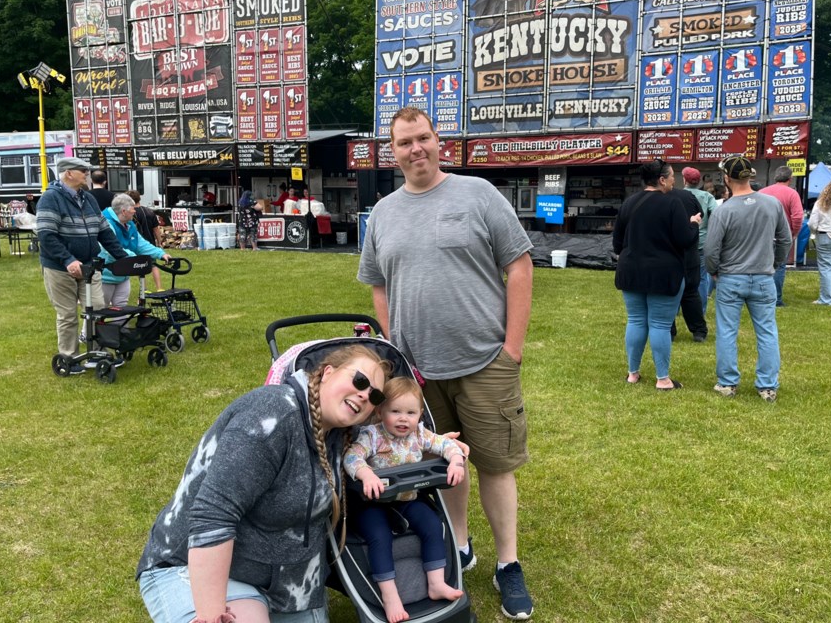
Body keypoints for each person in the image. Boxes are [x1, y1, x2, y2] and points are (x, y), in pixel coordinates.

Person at [358, 106, 535, 620]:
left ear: (439, 142)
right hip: (417, 374)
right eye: (404, 143)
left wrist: (512, 350)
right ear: (391, 153)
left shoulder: (477, 194)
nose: (416, 149)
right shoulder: (385, 212)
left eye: (423, 138)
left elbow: (519, 265)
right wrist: (395, 350)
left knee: (496, 466)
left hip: (484, 361)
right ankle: (459, 545)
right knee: (440, 466)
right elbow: (379, 284)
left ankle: (508, 564)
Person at [137, 344, 393, 623]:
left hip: (288, 584)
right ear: (327, 372)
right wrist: (211, 614)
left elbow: (399, 434)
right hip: (197, 566)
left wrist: (443, 448)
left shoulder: (339, 434)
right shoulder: (272, 415)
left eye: (374, 395)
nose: (365, 394)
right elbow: (214, 513)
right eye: (359, 381)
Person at [343, 377, 466, 623]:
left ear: (420, 414)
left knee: (432, 524)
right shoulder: (373, 436)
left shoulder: (419, 434)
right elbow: (351, 457)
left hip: (407, 497)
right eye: (395, 411)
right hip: (372, 503)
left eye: (410, 413)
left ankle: (436, 583)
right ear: (380, 412)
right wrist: (366, 474)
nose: (403, 419)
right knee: (379, 535)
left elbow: (445, 444)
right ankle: (390, 596)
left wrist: (456, 460)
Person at [704, 156, 792, 402]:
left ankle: (727, 383)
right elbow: (785, 239)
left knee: (727, 332)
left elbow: (711, 249)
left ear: (726, 178)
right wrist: (774, 263)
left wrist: (714, 271)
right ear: (750, 176)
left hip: (731, 278)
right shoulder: (772, 204)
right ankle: (767, 386)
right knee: (767, 331)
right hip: (763, 277)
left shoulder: (724, 210)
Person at [613, 160, 701, 391]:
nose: (674, 180)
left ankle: (633, 374)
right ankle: (663, 379)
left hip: (630, 271)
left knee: (636, 320)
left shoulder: (628, 204)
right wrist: (693, 224)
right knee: (660, 325)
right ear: (662, 180)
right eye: (672, 176)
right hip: (664, 273)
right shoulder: (672, 204)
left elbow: (617, 244)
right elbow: (685, 239)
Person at [36, 157, 127, 374]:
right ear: (68, 173)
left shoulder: (88, 199)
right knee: (67, 314)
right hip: (59, 268)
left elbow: (104, 231)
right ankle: (69, 358)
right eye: (83, 170)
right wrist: (68, 260)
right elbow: (46, 236)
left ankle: (96, 354)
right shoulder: (50, 199)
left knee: (97, 308)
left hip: (89, 266)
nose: (87, 174)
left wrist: (123, 257)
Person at [98, 194, 171, 308]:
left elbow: (140, 244)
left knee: (122, 308)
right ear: (123, 211)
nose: (134, 211)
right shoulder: (106, 223)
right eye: (132, 209)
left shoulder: (129, 224)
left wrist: (161, 254)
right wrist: (134, 258)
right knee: (99, 310)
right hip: (105, 276)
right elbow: (110, 249)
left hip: (123, 275)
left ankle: (120, 326)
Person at [760, 166, 804, 307]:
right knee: (779, 267)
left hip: (762, 235)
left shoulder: (762, 192)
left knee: (761, 267)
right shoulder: (792, 193)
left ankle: (760, 296)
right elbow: (797, 217)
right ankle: (776, 299)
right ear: (790, 179)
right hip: (782, 236)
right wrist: (794, 233)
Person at [668, 187, 708, 342]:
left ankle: (669, 331)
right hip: (689, 251)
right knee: (691, 292)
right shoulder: (687, 196)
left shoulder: (657, 198)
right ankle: (699, 331)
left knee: (667, 293)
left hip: (668, 252)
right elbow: (701, 214)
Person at [682, 167, 719, 318]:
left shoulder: (677, 195)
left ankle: (675, 308)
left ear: (684, 180)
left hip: (682, 242)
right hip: (702, 242)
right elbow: (716, 214)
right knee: (702, 279)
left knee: (679, 276)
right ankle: (700, 311)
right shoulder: (707, 196)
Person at [128, 190, 165, 292]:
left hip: (137, 243)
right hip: (150, 242)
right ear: (139, 198)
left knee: (140, 266)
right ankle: (159, 287)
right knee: (153, 265)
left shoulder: (130, 213)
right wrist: (159, 241)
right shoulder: (149, 212)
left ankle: (144, 289)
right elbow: (156, 229)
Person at [808, 179, 831, 305]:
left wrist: (814, 232)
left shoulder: (820, 203)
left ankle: (826, 299)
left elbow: (813, 222)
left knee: (826, 268)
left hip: (825, 235)